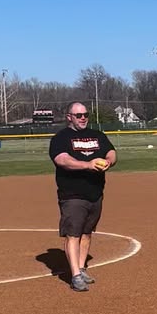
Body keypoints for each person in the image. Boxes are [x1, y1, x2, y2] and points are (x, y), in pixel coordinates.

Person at [49, 102, 117, 291]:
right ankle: (75, 276)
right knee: (73, 234)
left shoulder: (97, 135)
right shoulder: (61, 138)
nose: (83, 118)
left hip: (95, 193)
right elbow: (62, 160)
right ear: (69, 117)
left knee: (87, 233)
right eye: (78, 115)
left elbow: (111, 151)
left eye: (85, 114)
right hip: (73, 195)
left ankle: (81, 268)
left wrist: (109, 161)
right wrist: (88, 165)